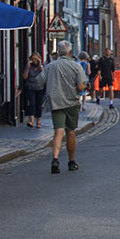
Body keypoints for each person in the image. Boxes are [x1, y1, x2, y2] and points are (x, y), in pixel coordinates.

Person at [37, 40, 87, 174]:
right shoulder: (76, 67)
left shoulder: (50, 66)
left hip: (56, 102)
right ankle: (71, 161)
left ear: (58, 52)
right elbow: (81, 86)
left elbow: (39, 82)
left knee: (58, 132)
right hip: (71, 103)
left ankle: (55, 159)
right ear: (70, 52)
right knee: (70, 132)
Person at [22, 52, 45, 128]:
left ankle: (38, 122)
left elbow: (44, 77)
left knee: (39, 105)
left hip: (40, 88)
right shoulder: (29, 66)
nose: (34, 60)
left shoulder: (42, 66)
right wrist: (28, 68)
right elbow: (24, 77)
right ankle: (31, 121)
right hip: (30, 87)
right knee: (32, 103)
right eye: (33, 59)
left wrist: (41, 68)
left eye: (36, 59)